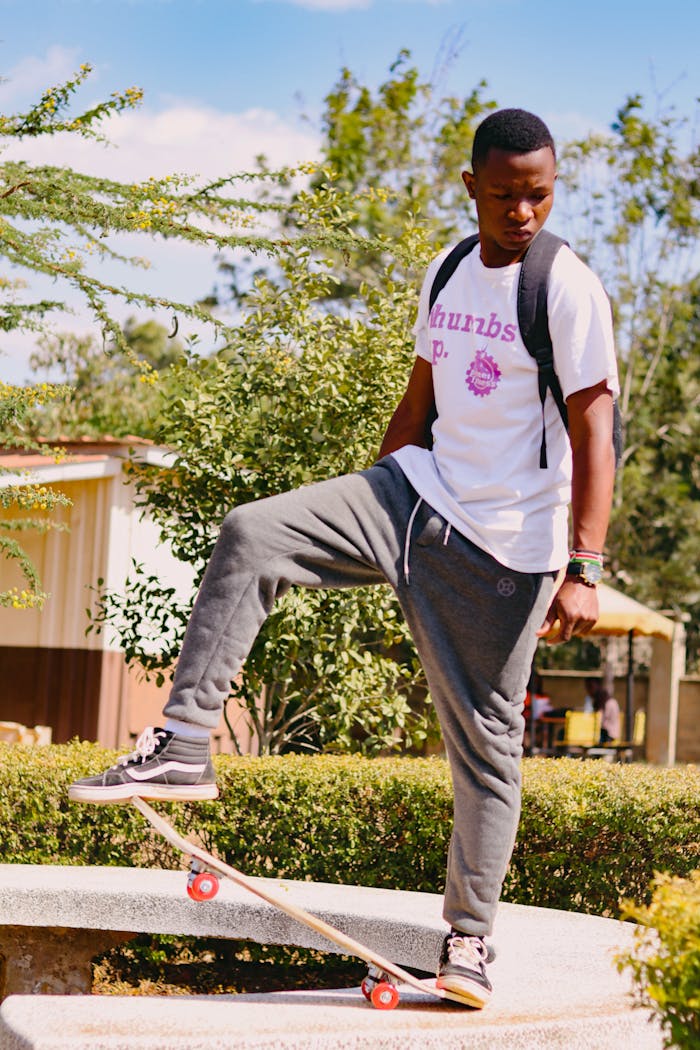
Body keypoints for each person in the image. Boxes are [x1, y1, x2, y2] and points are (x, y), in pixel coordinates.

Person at [69, 109, 619, 1008]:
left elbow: (598, 429)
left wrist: (585, 564)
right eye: (508, 193)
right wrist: (361, 501)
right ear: (471, 184)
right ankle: (183, 744)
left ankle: (470, 942)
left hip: (507, 552)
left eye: (541, 194)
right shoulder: (448, 271)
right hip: (414, 499)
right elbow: (420, 399)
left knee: (485, 748)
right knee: (255, 531)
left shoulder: (565, 287)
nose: (524, 211)